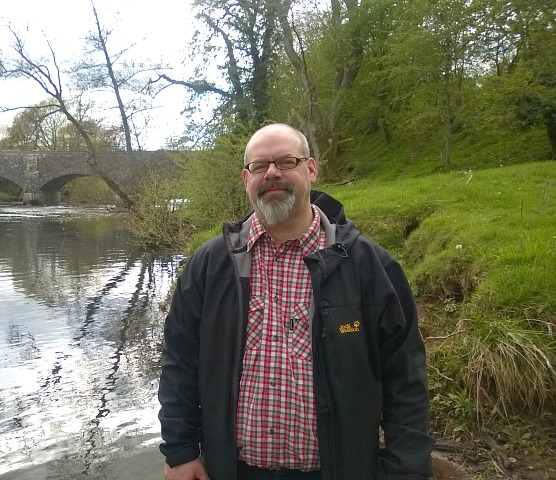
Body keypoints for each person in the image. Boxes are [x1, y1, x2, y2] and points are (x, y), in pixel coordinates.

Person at [157, 123, 434, 480]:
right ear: (246, 178)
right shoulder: (209, 265)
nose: (272, 173)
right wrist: (180, 452)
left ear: (311, 169)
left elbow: (405, 377)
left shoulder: (368, 266)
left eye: (286, 161)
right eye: (260, 166)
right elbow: (180, 361)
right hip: (233, 470)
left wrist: (405, 470)